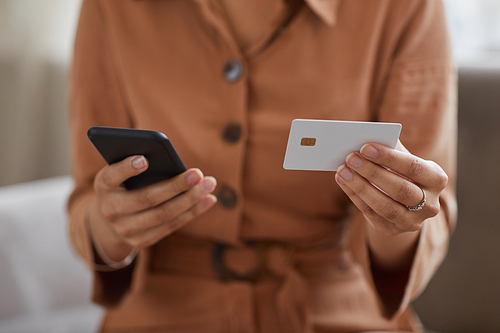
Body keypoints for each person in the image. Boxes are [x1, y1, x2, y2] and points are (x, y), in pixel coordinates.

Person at [68, 0, 457, 332]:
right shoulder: (111, 7)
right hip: (164, 312)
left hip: (339, 308)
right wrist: (111, 224)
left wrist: (397, 215)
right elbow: (89, 197)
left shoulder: (404, 7)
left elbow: (425, 206)